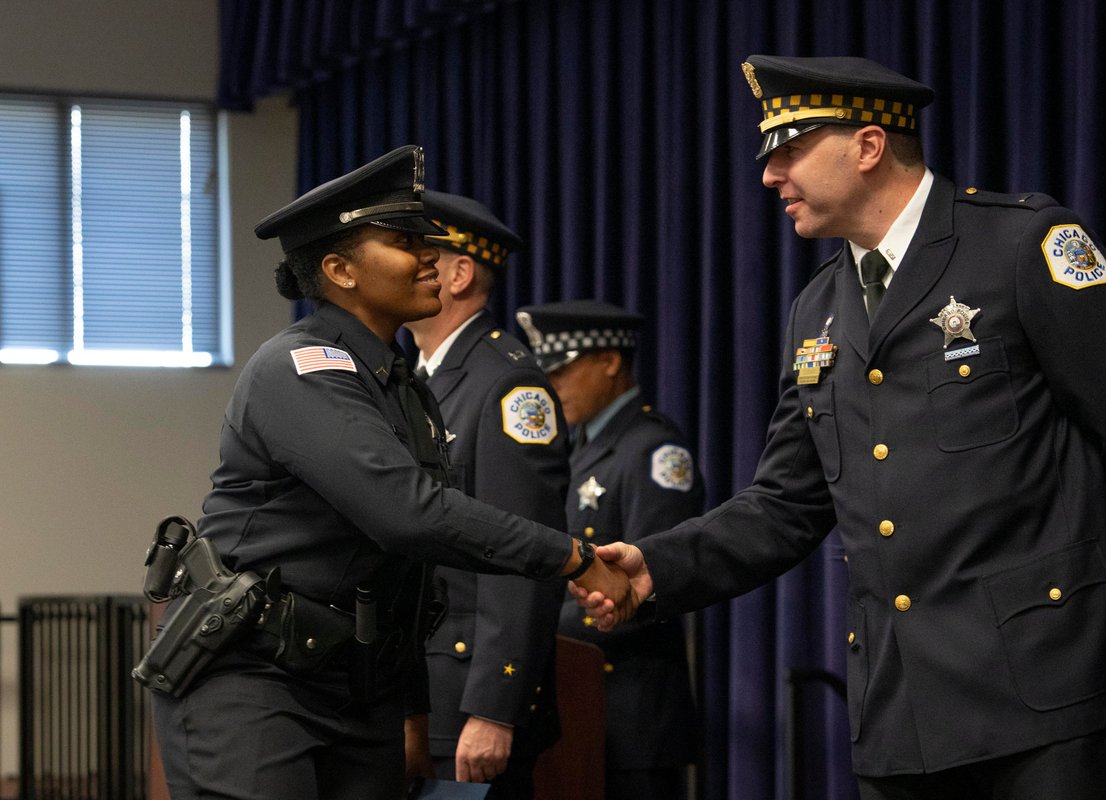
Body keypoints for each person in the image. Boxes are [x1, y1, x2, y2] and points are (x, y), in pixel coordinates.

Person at [577, 57, 1106, 799]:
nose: (770, 175)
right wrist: (658, 566)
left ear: (868, 146)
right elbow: (787, 503)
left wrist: (1098, 595)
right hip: (900, 708)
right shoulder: (816, 310)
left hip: (1046, 687)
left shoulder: (1021, 246)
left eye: (789, 150)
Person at [145, 145, 631, 800]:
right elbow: (409, 514)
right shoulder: (301, 367)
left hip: (355, 685)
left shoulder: (400, 384)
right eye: (405, 242)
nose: (430, 256)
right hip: (255, 680)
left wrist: (410, 706)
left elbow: (409, 574)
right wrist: (572, 558)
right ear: (340, 270)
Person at [403, 190, 569, 796]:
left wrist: (494, 707)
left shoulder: (508, 385)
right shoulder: (419, 377)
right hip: (421, 687)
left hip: (467, 697)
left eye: (417, 253)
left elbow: (524, 552)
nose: (401, 265)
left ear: (459, 274)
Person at [516, 300, 701, 800]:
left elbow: (660, 583)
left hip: (632, 713)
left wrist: (530, 629)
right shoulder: (577, 448)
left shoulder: (654, 452)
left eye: (562, 371)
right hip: (578, 706)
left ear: (610, 361)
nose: (552, 386)